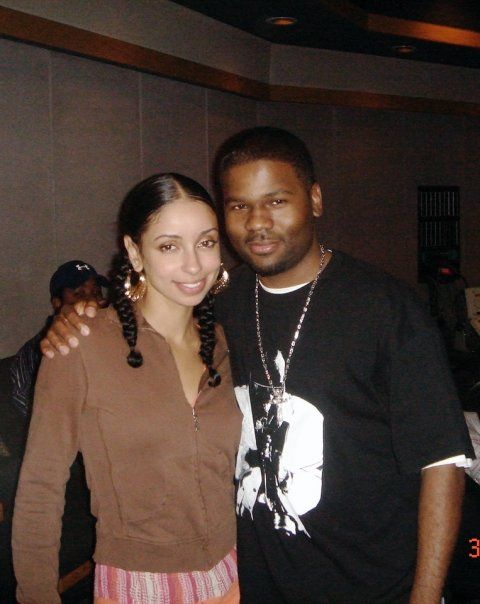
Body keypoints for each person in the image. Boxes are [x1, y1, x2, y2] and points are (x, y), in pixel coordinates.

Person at [40, 128, 473, 603]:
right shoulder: (220, 306)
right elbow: (145, 320)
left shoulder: (386, 310)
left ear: (314, 199)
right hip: (254, 586)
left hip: (373, 588)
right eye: (239, 206)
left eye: (277, 201)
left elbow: (441, 464)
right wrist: (82, 318)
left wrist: (425, 596)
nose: (257, 222)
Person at [12, 173, 242, 604]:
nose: (194, 265)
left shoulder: (224, 341)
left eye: (206, 242)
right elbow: (41, 487)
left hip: (233, 573)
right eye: (169, 246)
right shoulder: (83, 342)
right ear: (135, 252)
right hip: (142, 584)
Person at [10, 259, 108, 417]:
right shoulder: (36, 352)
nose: (91, 300)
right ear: (57, 303)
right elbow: (34, 411)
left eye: (96, 293)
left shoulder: (112, 336)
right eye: (79, 294)